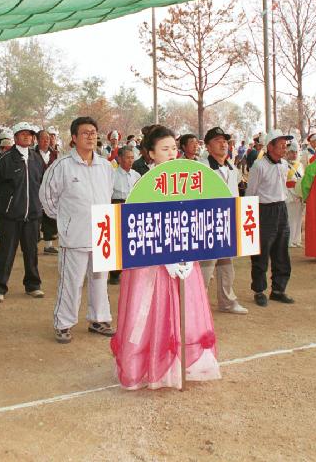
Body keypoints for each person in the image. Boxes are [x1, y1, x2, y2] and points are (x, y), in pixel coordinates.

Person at [110, 125, 220, 389]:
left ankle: (181, 364)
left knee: (185, 308)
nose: (171, 154)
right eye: (164, 149)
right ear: (150, 153)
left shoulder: (188, 178)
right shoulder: (142, 182)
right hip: (151, 262)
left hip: (183, 255)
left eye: (174, 148)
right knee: (150, 310)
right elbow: (136, 223)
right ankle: (148, 366)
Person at [41, 117, 115, 343]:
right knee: (71, 282)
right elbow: (47, 197)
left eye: (94, 132)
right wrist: (66, 219)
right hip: (75, 235)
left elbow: (108, 194)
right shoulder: (62, 166)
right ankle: (63, 323)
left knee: (100, 280)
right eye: (85, 133)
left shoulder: (105, 166)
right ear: (74, 138)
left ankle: (99, 319)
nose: (91, 136)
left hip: (103, 233)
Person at [0, 123, 45, 302]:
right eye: (23, 134)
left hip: (33, 215)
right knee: (6, 253)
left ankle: (33, 285)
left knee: (31, 252)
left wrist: (37, 205)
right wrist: (8, 201)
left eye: (30, 134)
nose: (27, 137)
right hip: (11, 216)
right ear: (16, 137)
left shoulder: (36, 159)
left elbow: (42, 183)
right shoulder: (6, 159)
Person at [199, 127, 248, 314]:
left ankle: (227, 301)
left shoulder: (232, 168)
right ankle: (199, 304)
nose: (223, 144)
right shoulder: (202, 167)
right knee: (206, 266)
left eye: (225, 141)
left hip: (228, 222)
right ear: (208, 146)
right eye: (218, 140)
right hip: (209, 223)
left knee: (227, 264)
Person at [246, 129, 296, 307]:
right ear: (270, 146)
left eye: (285, 145)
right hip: (263, 210)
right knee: (261, 252)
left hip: (281, 209)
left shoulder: (283, 164)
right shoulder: (259, 166)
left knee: (281, 251)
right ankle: (259, 290)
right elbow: (251, 192)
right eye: (281, 145)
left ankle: (278, 289)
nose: (284, 148)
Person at [109, 145, 141, 286]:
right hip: (117, 205)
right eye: (127, 157)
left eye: (132, 157)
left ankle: (132, 272)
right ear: (119, 159)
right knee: (117, 241)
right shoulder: (113, 175)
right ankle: (114, 273)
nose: (130, 160)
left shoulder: (136, 175)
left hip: (133, 206)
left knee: (132, 240)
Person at [35, 129, 59, 255]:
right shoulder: (32, 154)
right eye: (43, 139)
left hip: (50, 190)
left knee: (49, 216)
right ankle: (32, 244)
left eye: (48, 139)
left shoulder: (55, 154)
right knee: (35, 216)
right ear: (37, 140)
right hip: (35, 189)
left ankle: (48, 245)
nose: (46, 141)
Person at [284, 141, 305, 248]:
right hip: (290, 194)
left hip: (299, 194)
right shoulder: (283, 164)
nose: (294, 154)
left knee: (298, 218)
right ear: (287, 152)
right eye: (292, 152)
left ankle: (297, 239)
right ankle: (289, 240)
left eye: (296, 152)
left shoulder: (300, 165)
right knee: (290, 218)